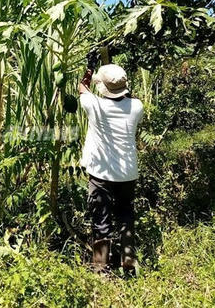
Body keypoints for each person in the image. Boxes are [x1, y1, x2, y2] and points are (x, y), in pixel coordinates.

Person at [78, 64, 144, 273]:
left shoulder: (93, 104)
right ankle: (128, 257)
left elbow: (81, 87)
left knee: (101, 218)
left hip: (101, 173)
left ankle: (101, 267)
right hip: (127, 173)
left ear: (103, 87)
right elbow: (127, 99)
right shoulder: (137, 106)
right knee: (126, 212)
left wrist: (88, 74)